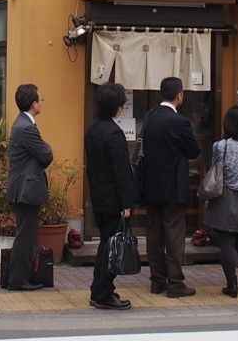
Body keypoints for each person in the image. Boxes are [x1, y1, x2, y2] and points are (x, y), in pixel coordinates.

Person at [140, 76, 201, 298]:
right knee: (174, 235)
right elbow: (193, 150)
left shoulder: (150, 117)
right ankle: (176, 283)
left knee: (154, 233)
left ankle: (157, 280)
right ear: (179, 95)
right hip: (173, 185)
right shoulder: (180, 122)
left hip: (151, 184)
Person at [84, 83, 134, 310]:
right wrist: (126, 203)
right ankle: (103, 293)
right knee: (112, 247)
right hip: (113, 199)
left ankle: (99, 290)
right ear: (116, 107)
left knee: (106, 243)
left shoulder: (92, 129)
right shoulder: (114, 133)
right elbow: (121, 171)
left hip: (98, 196)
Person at [204, 105, 238, 299]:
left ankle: (232, 285)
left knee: (226, 242)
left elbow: (215, 169)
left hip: (226, 196)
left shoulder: (221, 146)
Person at [6, 83, 53, 291]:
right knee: (25, 236)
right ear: (33, 103)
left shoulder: (23, 124)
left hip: (23, 187)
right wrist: (47, 149)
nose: (42, 102)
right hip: (26, 189)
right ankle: (18, 279)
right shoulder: (26, 127)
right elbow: (46, 154)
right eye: (40, 99)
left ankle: (21, 276)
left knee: (26, 234)